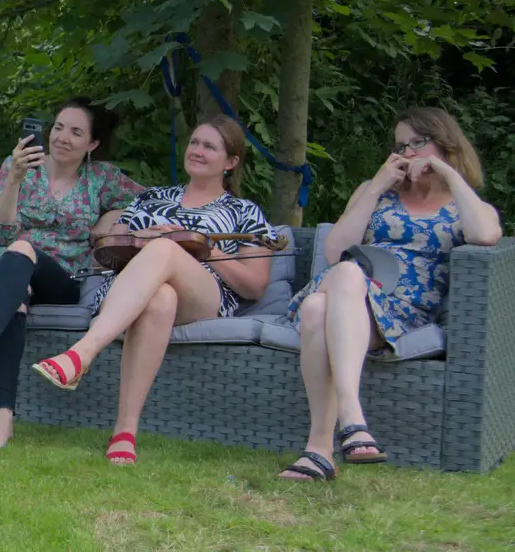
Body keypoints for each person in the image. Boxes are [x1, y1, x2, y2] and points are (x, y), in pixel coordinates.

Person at [30, 116, 276, 464]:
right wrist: (133, 241)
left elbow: (254, 285)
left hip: (203, 297)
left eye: (210, 146)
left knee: (165, 249)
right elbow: (102, 260)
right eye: (194, 142)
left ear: (231, 162)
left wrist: (197, 245)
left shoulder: (243, 211)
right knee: (160, 298)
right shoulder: (152, 199)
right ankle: (124, 433)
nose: (198, 151)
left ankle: (83, 353)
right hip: (135, 293)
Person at [277, 108, 503, 481]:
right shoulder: (377, 192)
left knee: (319, 309)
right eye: (401, 145)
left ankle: (319, 452)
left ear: (445, 143)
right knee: (347, 272)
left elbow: (486, 235)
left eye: (419, 142)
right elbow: (336, 252)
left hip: (404, 309)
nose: (409, 152)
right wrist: (376, 186)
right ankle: (352, 419)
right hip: (350, 285)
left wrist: (448, 173)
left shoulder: (461, 202)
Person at [0, 97, 145, 448]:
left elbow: (149, 201)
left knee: (23, 249)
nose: (63, 137)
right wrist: (15, 181)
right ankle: (2, 422)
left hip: (60, 277)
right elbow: (0, 232)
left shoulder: (100, 178)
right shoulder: (18, 166)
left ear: (92, 144)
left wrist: (112, 219)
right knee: (15, 291)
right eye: (59, 127)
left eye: (76, 132)